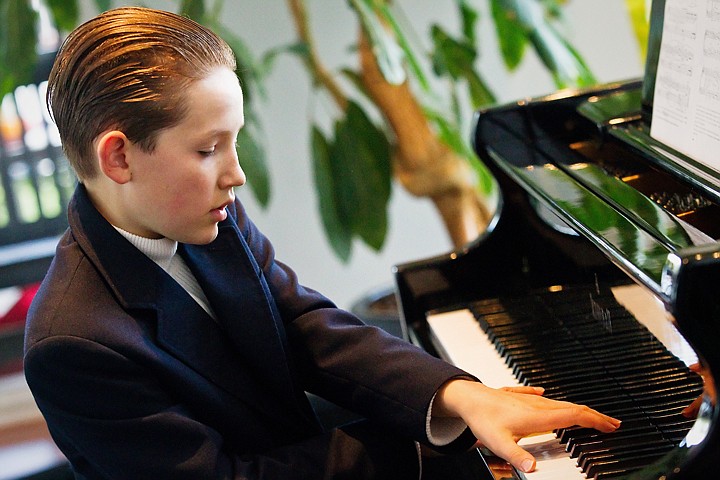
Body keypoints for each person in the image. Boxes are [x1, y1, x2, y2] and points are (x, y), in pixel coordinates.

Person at [23, 7, 620, 479]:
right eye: (208, 150)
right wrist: (429, 454)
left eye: (234, 142)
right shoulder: (75, 342)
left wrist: (458, 396)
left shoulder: (201, 212)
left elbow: (304, 322)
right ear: (120, 156)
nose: (237, 173)